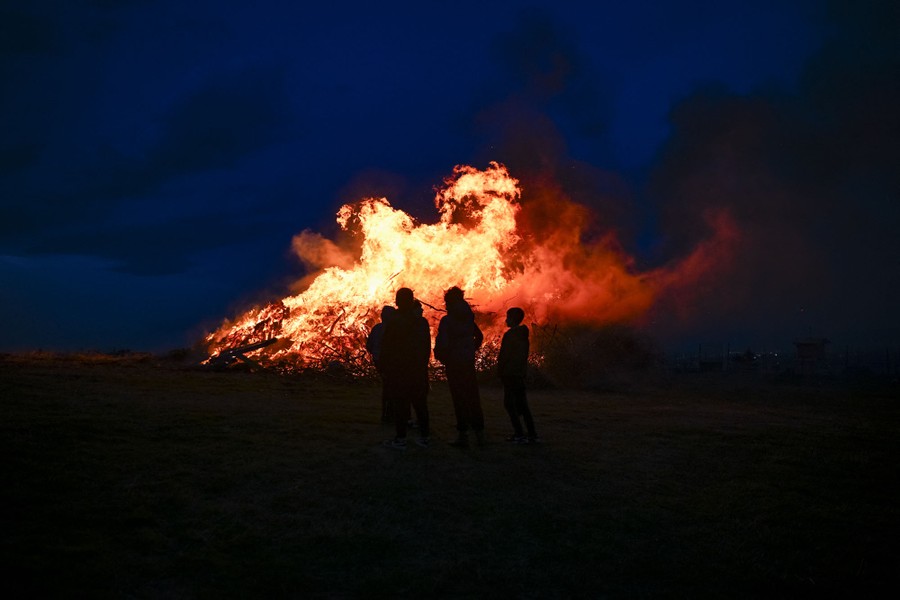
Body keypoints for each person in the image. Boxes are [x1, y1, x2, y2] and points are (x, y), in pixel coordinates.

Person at [379, 288, 431, 450]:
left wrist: (386, 368)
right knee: (420, 404)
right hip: (417, 370)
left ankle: (401, 439)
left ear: (398, 301)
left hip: (400, 370)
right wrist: (423, 366)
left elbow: (387, 347)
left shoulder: (395, 322)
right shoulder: (421, 322)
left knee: (401, 405)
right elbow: (426, 347)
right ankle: (425, 437)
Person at [434, 286, 484, 447]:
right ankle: (479, 433)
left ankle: (463, 435)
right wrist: (471, 350)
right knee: (472, 396)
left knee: (459, 398)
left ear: (450, 301)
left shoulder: (448, 320)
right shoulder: (468, 318)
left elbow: (443, 342)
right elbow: (479, 336)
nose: (445, 305)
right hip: (468, 362)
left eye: (446, 302)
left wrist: (443, 356)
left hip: (455, 364)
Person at [497, 307, 538, 444]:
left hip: (510, 373)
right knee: (522, 405)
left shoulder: (510, 335)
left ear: (513, 319)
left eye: (508, 317)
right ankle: (532, 434)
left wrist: (500, 370)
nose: (506, 320)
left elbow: (504, 355)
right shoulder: (523, 335)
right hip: (519, 373)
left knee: (509, 404)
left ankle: (519, 434)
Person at [366, 305, 396, 422]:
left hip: (380, 362)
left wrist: (375, 355)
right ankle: (390, 414)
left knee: (387, 387)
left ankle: (386, 414)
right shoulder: (393, 329)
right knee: (393, 388)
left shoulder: (377, 328)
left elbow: (369, 346)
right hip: (389, 362)